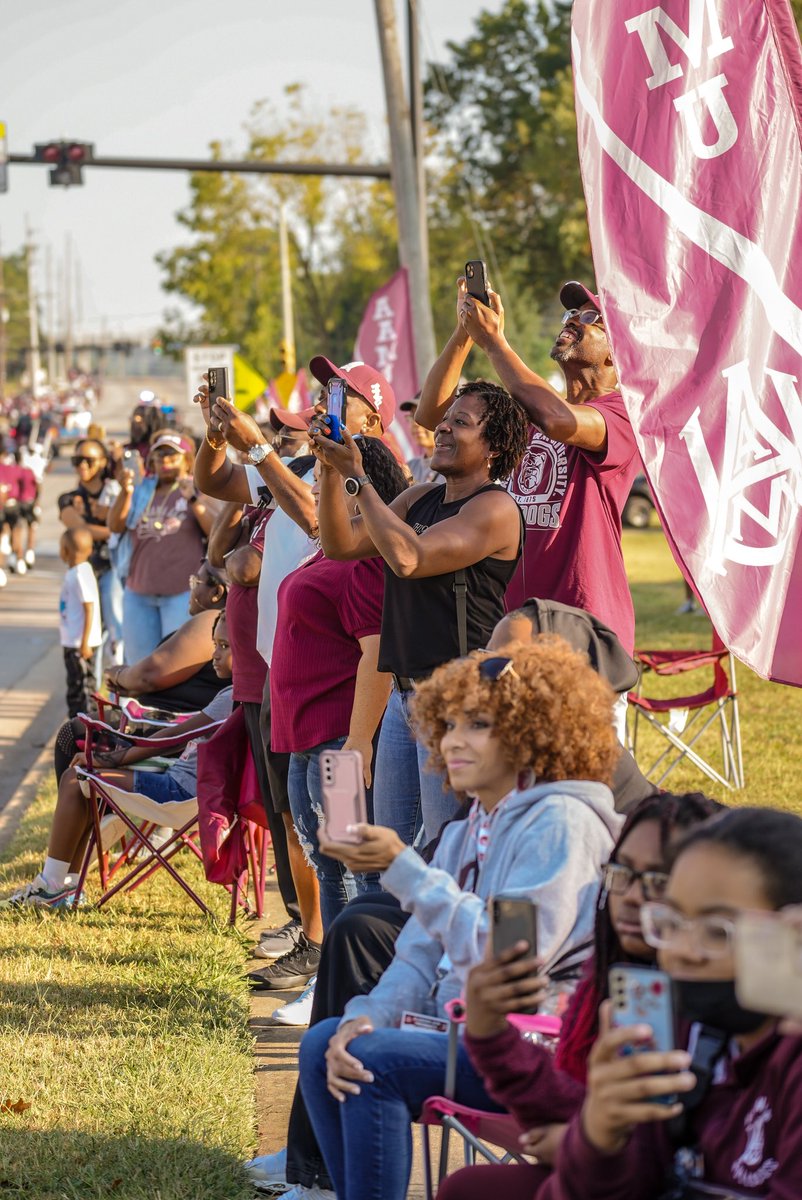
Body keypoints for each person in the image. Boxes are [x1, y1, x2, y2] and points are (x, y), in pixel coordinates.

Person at [297, 637, 622, 1200]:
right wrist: (371, 1013)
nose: (453, 742)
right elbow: (419, 955)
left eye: (478, 725)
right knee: (329, 1039)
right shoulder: (471, 825)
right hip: (456, 1031)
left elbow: (508, 957)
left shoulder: (562, 822)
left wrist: (405, 869)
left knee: (374, 1061)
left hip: (532, 1044)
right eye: (448, 726)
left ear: (532, 731)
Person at [193, 360, 397, 991]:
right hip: (296, 700)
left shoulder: (367, 505)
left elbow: (319, 521)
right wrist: (221, 438)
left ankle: (346, 977)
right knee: (306, 833)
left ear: (374, 416)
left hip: (338, 719)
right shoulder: (309, 474)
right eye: (323, 391)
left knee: (346, 851)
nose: (320, 402)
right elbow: (220, 482)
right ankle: (325, 964)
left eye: (341, 393)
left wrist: (260, 452)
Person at [436, 791, 722, 1200]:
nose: (634, 896)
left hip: (667, 1181)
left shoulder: (721, 1006)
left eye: (658, 881)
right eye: (622, 873)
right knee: (467, 1187)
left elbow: (661, 1155)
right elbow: (566, 1105)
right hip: (601, 1165)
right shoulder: (607, 978)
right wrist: (490, 1035)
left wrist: (581, 1141)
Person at [539, 806, 802, 1200]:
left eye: (717, 931)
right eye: (671, 923)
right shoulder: (686, 1045)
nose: (682, 952)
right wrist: (599, 1135)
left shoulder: (791, 1065)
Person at [311, 379, 528, 845]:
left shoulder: (495, 508)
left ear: (494, 447)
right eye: (445, 419)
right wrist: (331, 470)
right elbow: (339, 543)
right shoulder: (418, 498)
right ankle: (399, 922)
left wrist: (360, 477)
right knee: (394, 848)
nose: (443, 428)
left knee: (444, 849)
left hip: (457, 700)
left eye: (461, 423)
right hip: (403, 696)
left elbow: (410, 559)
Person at [250, 439, 408, 991]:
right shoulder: (333, 547)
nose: (314, 486)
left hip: (338, 738)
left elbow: (377, 654)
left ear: (352, 482)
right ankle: (333, 978)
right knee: (324, 857)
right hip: (306, 735)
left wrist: (358, 742)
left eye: (322, 475)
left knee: (350, 863)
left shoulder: (365, 558)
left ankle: (345, 985)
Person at [416, 279, 641, 661]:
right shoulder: (531, 411)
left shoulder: (623, 415)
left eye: (592, 318)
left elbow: (560, 421)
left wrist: (494, 342)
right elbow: (431, 414)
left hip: (584, 629)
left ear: (615, 356)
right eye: (571, 313)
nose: (573, 320)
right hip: (512, 628)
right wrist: (465, 332)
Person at [1, 613, 233, 911]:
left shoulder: (229, 697)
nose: (214, 655)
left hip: (180, 794)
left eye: (225, 646)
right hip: (200, 790)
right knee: (86, 777)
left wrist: (105, 759)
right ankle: (64, 886)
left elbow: (167, 740)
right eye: (215, 644)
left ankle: (51, 886)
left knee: (77, 777)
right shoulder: (247, 695)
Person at [53, 559, 229, 786]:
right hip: (173, 730)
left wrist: (116, 675)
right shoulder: (224, 623)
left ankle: (93, 818)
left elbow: (148, 676)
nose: (191, 587)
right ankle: (102, 818)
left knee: (73, 733)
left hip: (172, 735)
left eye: (196, 581)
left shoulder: (211, 621)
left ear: (216, 592)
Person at [110, 431, 215, 663]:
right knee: (139, 665)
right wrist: (125, 492)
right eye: (160, 456)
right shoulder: (140, 491)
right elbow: (115, 525)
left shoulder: (198, 489)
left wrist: (194, 501)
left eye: (172, 455)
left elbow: (215, 532)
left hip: (181, 595)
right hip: (138, 593)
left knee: (174, 664)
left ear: (187, 460)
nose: (165, 461)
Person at [58, 437, 124, 664]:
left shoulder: (116, 494)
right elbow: (80, 530)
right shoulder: (68, 499)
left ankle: (119, 683)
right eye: (77, 460)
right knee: (81, 634)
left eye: (89, 460)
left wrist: (112, 521)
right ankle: (90, 689)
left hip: (111, 569)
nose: (82, 465)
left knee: (116, 627)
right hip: (82, 573)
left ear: (103, 462)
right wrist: (114, 529)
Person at [58, 528, 103, 719]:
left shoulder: (80, 574)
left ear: (66, 551)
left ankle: (85, 729)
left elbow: (89, 607)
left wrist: (85, 642)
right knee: (74, 687)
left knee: (83, 689)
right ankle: (76, 728)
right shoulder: (77, 572)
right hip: (72, 641)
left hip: (80, 644)